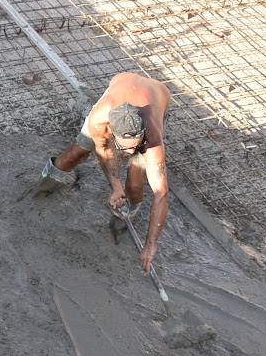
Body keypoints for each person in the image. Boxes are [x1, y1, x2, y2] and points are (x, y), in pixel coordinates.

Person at [32, 72, 171, 272]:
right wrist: (115, 187)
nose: (131, 153)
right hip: (119, 91)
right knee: (76, 153)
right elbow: (104, 152)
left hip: (156, 98)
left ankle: (123, 218)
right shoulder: (99, 121)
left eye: (136, 146)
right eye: (126, 148)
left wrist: (151, 244)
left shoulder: (152, 138)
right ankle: (46, 182)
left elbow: (161, 193)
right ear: (111, 131)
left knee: (134, 185)